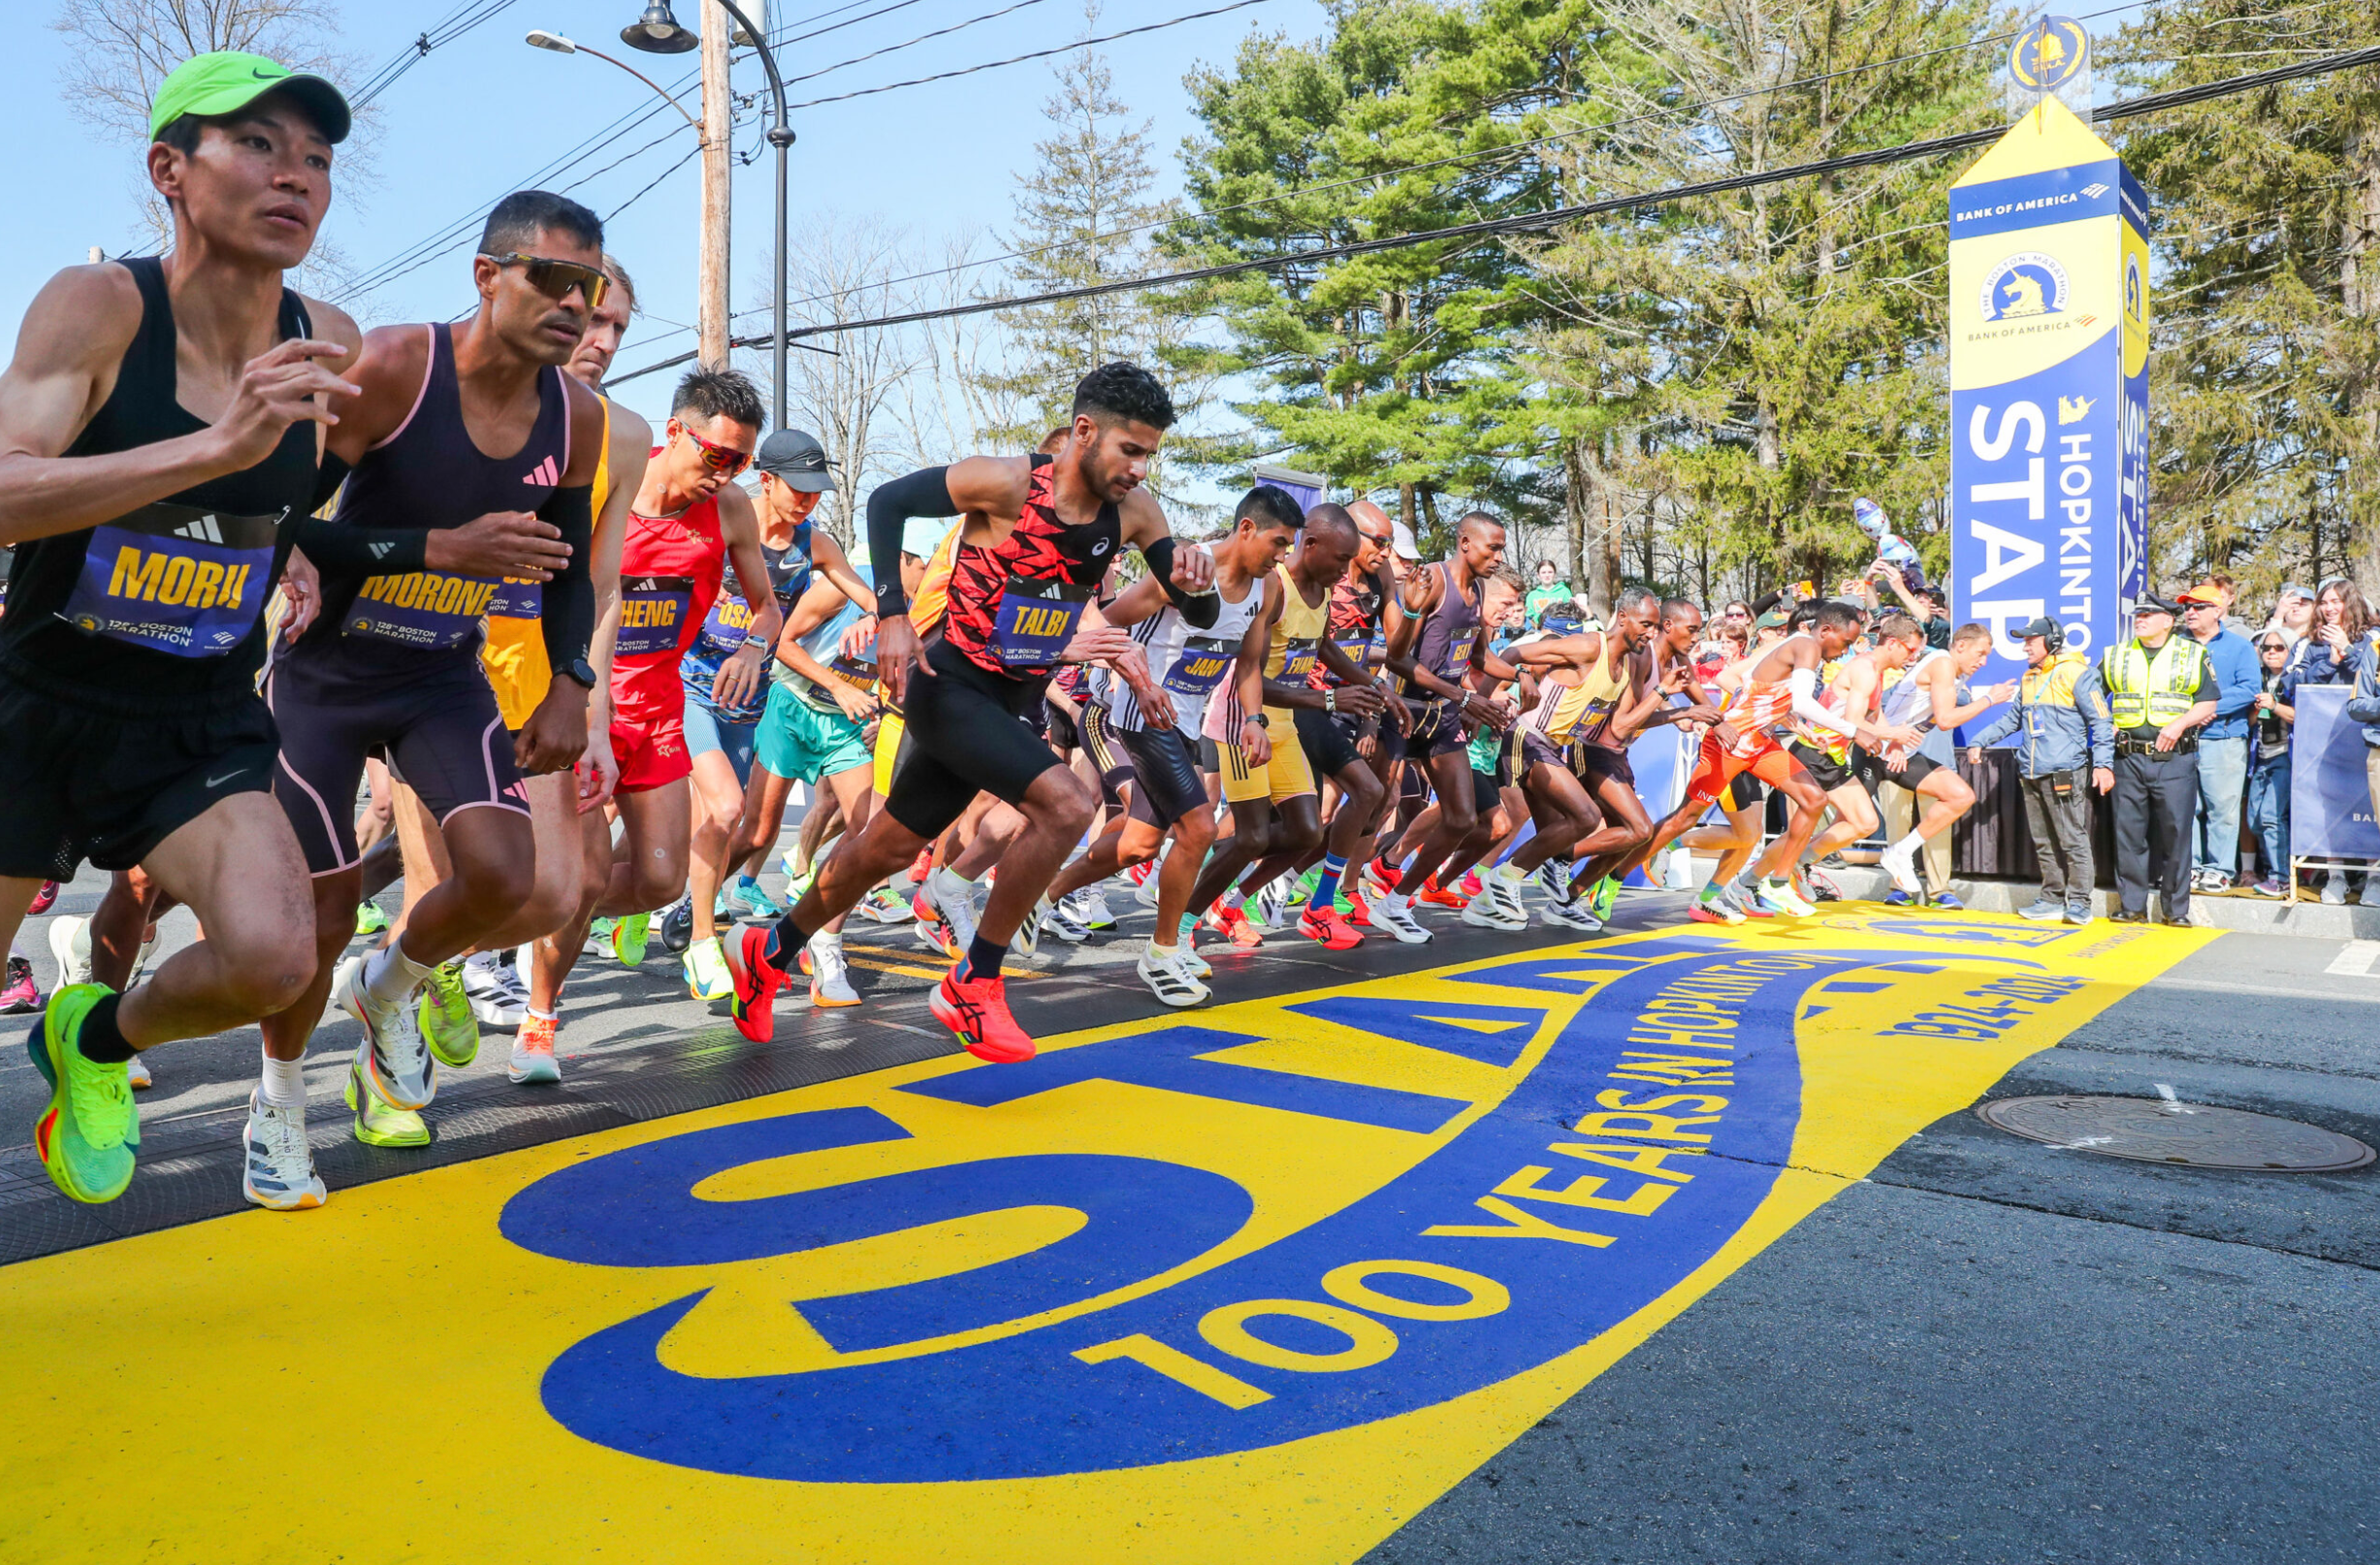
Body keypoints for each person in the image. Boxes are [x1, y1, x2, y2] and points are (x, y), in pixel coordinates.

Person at [0, 53, 375, 1208]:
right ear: (169, 168)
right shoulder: (102, 302)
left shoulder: (333, 339)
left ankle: (96, 1043)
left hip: (197, 708)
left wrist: (300, 547)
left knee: (274, 958)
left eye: (315, 157)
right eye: (256, 144)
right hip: (42, 694)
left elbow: (313, 503)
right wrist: (213, 449)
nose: (295, 176)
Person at [262, 189, 607, 1169]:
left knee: (505, 876)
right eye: (550, 277)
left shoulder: (575, 416)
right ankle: (278, 1103)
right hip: (328, 674)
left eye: (588, 285)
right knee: (319, 918)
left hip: (439, 674)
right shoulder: (400, 366)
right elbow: (280, 518)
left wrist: (571, 681)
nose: (574, 303)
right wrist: (435, 546)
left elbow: (570, 568)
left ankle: (388, 989)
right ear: (487, 277)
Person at [725, 362, 1202, 1064]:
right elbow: (887, 501)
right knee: (1066, 806)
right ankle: (973, 982)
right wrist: (890, 612)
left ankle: (769, 951)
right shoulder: (1007, 482)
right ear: (1083, 432)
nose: (1139, 469)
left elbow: (1198, 607)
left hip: (1011, 703)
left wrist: (1197, 581)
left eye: (1148, 455)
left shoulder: (1135, 514)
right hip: (946, 683)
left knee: (883, 849)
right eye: (1130, 451)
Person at [526, 367, 782, 1066]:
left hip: (663, 712)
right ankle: (539, 1021)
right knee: (579, 881)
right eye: (719, 456)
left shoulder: (729, 511)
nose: (727, 475)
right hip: (584, 707)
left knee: (663, 880)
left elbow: (767, 606)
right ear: (677, 433)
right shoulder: (610, 489)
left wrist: (756, 649)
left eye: (742, 463)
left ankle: (548, 922)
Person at [1049, 485, 1296, 1001]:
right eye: (1278, 543)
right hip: (1141, 713)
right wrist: (1131, 675)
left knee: (1138, 844)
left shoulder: (1267, 589)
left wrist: (1253, 719)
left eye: (1288, 547)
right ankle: (1162, 953)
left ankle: (1043, 893)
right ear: (1246, 529)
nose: (1282, 557)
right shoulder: (1183, 569)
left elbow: (1249, 664)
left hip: (1184, 720)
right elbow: (1107, 622)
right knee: (1200, 826)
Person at [1374, 513, 1519, 942]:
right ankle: (1328, 891)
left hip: (1443, 714)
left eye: (1500, 549)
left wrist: (1521, 672)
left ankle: (1396, 902)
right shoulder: (1430, 581)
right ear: (1464, 542)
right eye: (1492, 548)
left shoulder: (1475, 589)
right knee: (1372, 808)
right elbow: (1398, 659)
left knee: (1460, 818)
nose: (1497, 557)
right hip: (1403, 708)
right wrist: (1465, 697)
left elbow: (1478, 658)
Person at [1966, 616, 2112, 923]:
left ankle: (2081, 904)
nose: (2025, 648)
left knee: (2072, 838)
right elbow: (2012, 720)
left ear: (2052, 641)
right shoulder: (2029, 676)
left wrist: (2103, 764)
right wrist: (1979, 740)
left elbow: (2101, 722)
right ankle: (2051, 899)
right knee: (2044, 841)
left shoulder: (2078, 673)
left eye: (2030, 641)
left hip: (2065, 771)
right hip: (2030, 772)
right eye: (2024, 641)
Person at [2086, 592, 2217, 924]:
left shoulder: (2191, 654)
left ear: (2168, 621)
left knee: (2176, 834)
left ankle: (2175, 910)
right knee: (2129, 834)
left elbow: (2208, 703)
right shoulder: (2117, 655)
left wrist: (2179, 724)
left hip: (2174, 758)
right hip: (2128, 757)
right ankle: (2132, 906)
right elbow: (2092, 696)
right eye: (2138, 614)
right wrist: (2108, 725)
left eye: (2148, 614)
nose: (2140, 618)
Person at [1868, 623, 2013, 902]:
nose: (1983, 662)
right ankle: (1779, 869)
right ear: (1960, 645)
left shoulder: (1953, 673)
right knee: (1854, 822)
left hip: (1908, 754)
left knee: (1956, 801)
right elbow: (1946, 720)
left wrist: (1902, 739)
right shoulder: (1943, 663)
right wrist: (1989, 699)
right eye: (1980, 654)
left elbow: (1930, 721)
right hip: (1886, 757)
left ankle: (1937, 887)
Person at [2177, 582, 2259, 894]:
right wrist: (2190, 716)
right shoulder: (2176, 645)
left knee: (2222, 809)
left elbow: (2249, 688)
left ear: (2218, 610)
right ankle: (2192, 867)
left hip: (2223, 737)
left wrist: (2208, 708)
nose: (2190, 612)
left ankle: (2221, 869)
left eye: (2198, 606)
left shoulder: (2239, 646)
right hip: (2182, 738)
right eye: (2187, 606)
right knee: (2185, 808)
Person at [2244, 631, 2296, 898]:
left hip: (2285, 757)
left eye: (2279, 647)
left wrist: (2274, 704)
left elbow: (2303, 716)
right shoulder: (2260, 679)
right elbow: (2253, 722)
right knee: (2254, 819)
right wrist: (2256, 707)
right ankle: (2272, 870)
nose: (2272, 652)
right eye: (2266, 647)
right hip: (2261, 757)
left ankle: (2281, 877)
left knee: (2272, 817)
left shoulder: (2295, 678)